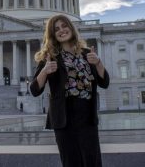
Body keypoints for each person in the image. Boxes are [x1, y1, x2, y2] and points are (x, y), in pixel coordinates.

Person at [30, 14, 109, 167]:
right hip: (64, 117)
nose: (62, 30)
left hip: (87, 115)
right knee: (71, 162)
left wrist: (98, 62)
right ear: (52, 35)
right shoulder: (49, 57)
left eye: (64, 26)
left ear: (71, 28)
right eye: (56, 29)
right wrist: (44, 71)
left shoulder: (87, 53)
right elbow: (34, 90)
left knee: (93, 162)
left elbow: (104, 82)